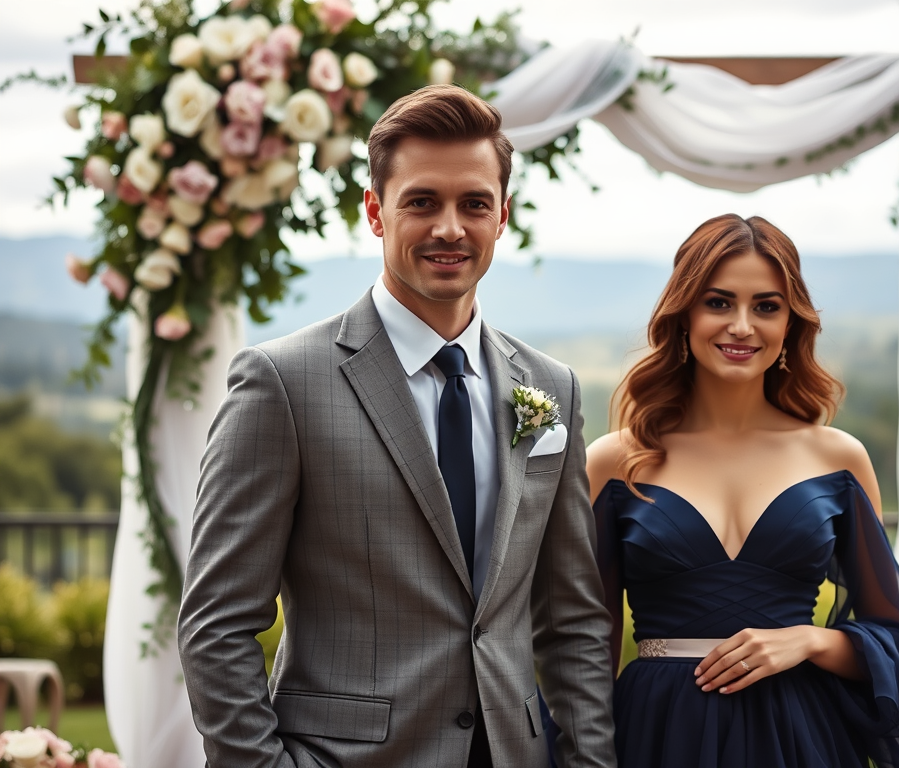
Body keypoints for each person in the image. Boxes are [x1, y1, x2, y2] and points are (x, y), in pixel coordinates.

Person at [178, 84, 616, 768]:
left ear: (503, 216)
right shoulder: (282, 383)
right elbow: (217, 626)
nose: (450, 228)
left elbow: (574, 622)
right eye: (421, 202)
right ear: (376, 213)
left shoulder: (549, 387)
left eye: (474, 203)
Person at [587, 214, 899, 768]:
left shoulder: (838, 458)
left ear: (791, 324)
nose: (742, 325)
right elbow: (587, 645)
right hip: (660, 731)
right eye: (718, 302)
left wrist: (809, 641)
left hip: (800, 732)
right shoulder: (616, 460)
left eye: (766, 306)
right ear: (684, 314)